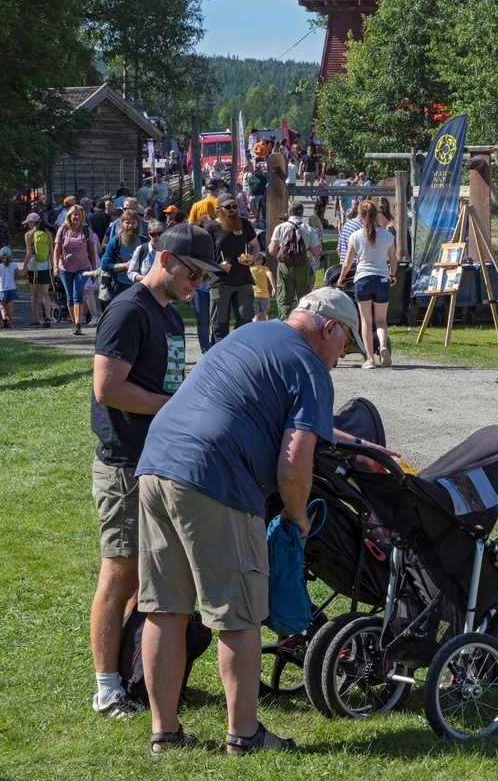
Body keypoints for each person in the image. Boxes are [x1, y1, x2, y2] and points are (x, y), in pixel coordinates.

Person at [134, 288, 366, 754]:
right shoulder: (310, 365)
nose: (341, 357)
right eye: (346, 345)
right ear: (330, 328)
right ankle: (244, 735)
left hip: (157, 464)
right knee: (238, 615)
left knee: (166, 609)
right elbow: (293, 462)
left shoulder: (250, 335)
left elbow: (255, 407)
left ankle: (165, 733)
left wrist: (365, 448)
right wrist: (297, 517)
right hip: (216, 478)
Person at [88, 225, 203, 719]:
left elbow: (169, 380)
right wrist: (174, 405)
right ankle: (107, 688)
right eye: (192, 271)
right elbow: (107, 388)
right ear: (164, 257)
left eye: (204, 277)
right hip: (123, 464)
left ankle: (133, 675)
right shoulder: (128, 310)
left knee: (148, 578)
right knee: (118, 575)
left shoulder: (170, 316)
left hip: (156, 462)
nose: (196, 283)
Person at [338, 200, 396, 368]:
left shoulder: (355, 236)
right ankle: (383, 346)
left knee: (366, 321)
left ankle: (370, 358)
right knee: (381, 320)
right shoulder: (387, 236)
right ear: (376, 215)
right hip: (382, 279)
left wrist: (341, 278)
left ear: (361, 217)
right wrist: (392, 275)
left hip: (363, 279)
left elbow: (347, 263)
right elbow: (394, 261)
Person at [205, 199, 260, 343]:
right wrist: (215, 265)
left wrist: (252, 258)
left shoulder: (244, 223)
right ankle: (219, 356)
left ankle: (240, 352)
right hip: (219, 281)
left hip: (243, 280)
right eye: (228, 207)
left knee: (245, 321)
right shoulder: (211, 227)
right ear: (219, 208)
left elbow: (255, 245)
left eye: (234, 206)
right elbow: (202, 253)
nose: (232, 209)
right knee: (219, 325)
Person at [268, 203, 322, 318]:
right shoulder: (308, 229)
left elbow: (272, 250)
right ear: (302, 214)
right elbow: (316, 251)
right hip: (303, 265)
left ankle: (285, 322)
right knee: (303, 298)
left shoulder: (280, 227)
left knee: (284, 298)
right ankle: (302, 323)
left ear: (288, 214)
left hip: (284, 266)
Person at [53, 204, 98, 335]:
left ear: (82, 216)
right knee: (69, 296)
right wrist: (55, 266)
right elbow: (56, 251)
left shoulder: (86, 230)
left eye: (79, 214)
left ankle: (78, 324)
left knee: (77, 292)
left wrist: (94, 271)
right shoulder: (62, 230)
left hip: (82, 266)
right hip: (64, 267)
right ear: (70, 216)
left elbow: (91, 252)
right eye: (74, 214)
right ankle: (73, 322)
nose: (76, 217)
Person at [100, 209, 143, 306]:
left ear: (137, 224)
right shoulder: (115, 242)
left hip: (139, 286)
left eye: (133, 223)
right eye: (127, 223)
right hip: (119, 286)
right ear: (122, 224)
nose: (130, 226)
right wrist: (125, 265)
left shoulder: (143, 241)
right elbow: (105, 266)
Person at [23, 212, 53, 327]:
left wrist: (24, 269)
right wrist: (53, 267)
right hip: (46, 266)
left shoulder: (28, 235)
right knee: (45, 294)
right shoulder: (48, 233)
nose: (27, 225)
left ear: (32, 222)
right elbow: (51, 253)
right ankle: (48, 318)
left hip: (33, 267)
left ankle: (36, 319)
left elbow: (29, 254)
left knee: (34, 294)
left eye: (28, 223)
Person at [0, 248, 23, 328]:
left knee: (2, 306)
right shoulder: (14, 266)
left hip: (2, 289)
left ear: (0, 257)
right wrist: (26, 271)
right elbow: (20, 274)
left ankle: (4, 317)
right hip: (12, 288)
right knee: (10, 307)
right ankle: (9, 321)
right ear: (11, 256)